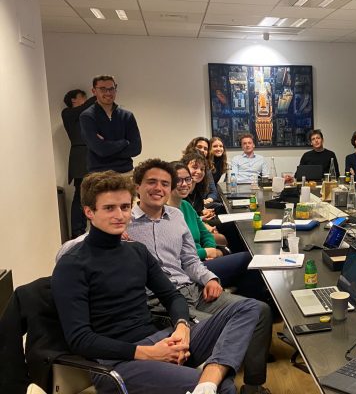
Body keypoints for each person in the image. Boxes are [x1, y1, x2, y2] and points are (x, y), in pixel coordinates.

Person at [52, 170, 268, 394]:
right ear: (89, 212)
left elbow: (172, 296)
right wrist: (149, 353)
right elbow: (80, 339)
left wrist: (182, 327)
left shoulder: (137, 251)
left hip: (160, 339)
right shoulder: (72, 265)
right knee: (224, 388)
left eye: (125, 207)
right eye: (109, 208)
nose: (119, 215)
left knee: (249, 307)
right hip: (117, 363)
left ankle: (208, 380)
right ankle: (210, 384)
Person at [126, 159, 272, 392]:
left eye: (165, 183)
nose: (159, 188)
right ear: (137, 187)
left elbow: (190, 260)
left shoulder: (176, 216)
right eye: (151, 182)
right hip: (161, 303)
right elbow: (80, 246)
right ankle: (212, 382)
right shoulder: (124, 221)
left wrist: (209, 278)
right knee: (225, 329)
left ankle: (253, 386)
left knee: (259, 310)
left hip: (193, 289)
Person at [168, 162, 266, 301]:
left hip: (203, 259)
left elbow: (205, 233)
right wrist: (205, 252)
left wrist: (211, 249)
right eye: (178, 180)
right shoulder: (165, 214)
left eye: (187, 179)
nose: (184, 184)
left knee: (246, 267)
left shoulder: (186, 205)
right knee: (249, 259)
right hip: (191, 267)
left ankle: (245, 301)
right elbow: (176, 254)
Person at [79, 75, 142, 174]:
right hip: (100, 174)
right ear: (94, 91)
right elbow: (100, 150)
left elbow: (136, 149)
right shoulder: (87, 116)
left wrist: (107, 147)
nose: (108, 93)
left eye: (111, 89)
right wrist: (124, 142)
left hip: (126, 172)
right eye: (103, 89)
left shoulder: (127, 116)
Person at [62, 88, 97, 238]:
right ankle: (77, 231)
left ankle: (87, 229)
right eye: (82, 97)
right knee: (80, 195)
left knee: (90, 194)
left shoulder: (84, 116)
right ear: (73, 100)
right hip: (80, 158)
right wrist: (98, 94)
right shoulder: (68, 113)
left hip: (89, 157)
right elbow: (85, 107)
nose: (85, 100)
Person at [184, 137, 221, 205]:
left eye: (205, 149)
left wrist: (206, 201)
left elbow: (213, 192)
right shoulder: (181, 171)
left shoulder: (207, 169)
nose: (202, 150)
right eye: (199, 147)